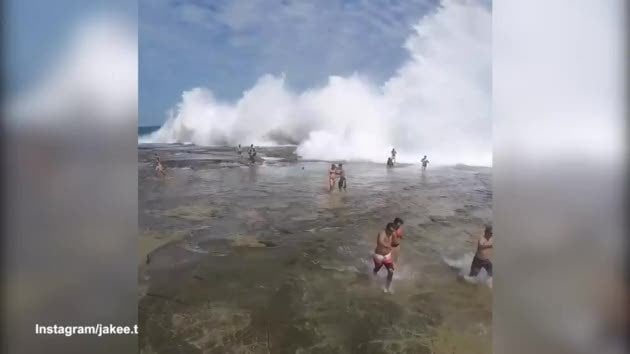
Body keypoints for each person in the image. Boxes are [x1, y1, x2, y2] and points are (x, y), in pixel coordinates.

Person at [373, 222, 396, 293]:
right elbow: (380, 242)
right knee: (377, 269)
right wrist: (386, 246)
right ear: (386, 229)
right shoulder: (382, 233)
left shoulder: (393, 233)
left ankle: (387, 287)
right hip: (379, 256)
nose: (391, 233)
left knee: (391, 271)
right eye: (390, 231)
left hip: (387, 256)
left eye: (392, 231)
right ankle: (374, 274)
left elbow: (394, 242)